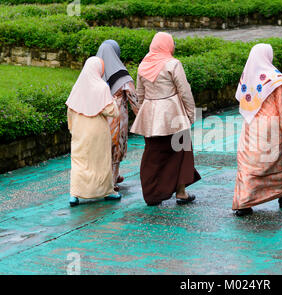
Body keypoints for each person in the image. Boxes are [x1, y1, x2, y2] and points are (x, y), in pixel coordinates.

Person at [130, 32, 201, 206]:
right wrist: (192, 114)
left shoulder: (143, 65)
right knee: (182, 151)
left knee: (153, 155)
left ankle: (153, 194)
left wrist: (143, 115)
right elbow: (185, 91)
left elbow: (140, 94)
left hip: (150, 114)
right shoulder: (173, 64)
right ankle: (181, 192)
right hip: (173, 113)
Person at [232, 43, 282, 217]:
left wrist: (281, 80)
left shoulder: (249, 76)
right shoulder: (275, 78)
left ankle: (243, 203)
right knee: (275, 163)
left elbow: (257, 92)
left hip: (252, 126)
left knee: (249, 164)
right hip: (272, 128)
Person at [66, 56, 121, 207]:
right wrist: (114, 101)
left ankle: (74, 194)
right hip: (97, 130)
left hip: (79, 129)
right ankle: (107, 192)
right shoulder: (102, 87)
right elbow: (112, 112)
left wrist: (72, 128)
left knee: (79, 160)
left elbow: (70, 110)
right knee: (100, 161)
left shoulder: (78, 86)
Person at [96, 40, 140, 191]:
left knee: (101, 149)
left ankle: (104, 178)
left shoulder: (94, 74)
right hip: (116, 118)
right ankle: (111, 182)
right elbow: (134, 100)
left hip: (98, 119)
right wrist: (142, 118)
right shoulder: (122, 76)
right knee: (116, 149)